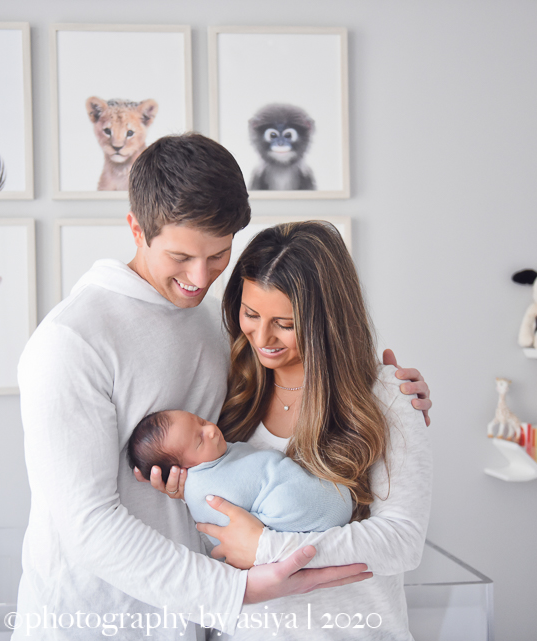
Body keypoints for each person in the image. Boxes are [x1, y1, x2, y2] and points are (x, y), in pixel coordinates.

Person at [13, 133, 431, 640]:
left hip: (195, 621)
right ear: (136, 228)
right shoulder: (70, 342)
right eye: (181, 256)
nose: (199, 277)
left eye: (218, 255)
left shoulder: (220, 328)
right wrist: (238, 589)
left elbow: (308, 378)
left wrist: (391, 392)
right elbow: (88, 525)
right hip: (95, 621)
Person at [144, 221, 432, 639]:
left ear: (326, 322)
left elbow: (402, 540)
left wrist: (267, 548)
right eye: (250, 314)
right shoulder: (228, 388)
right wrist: (184, 493)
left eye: (285, 323)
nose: (262, 337)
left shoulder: (387, 395)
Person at [127, 409, 355, 545]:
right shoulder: (203, 492)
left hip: (322, 496)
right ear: (181, 470)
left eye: (201, 421)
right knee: (284, 500)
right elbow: (231, 535)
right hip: (290, 520)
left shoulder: (220, 452)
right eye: (199, 441)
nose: (211, 431)